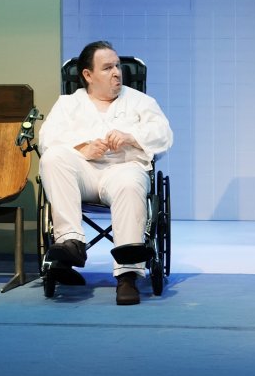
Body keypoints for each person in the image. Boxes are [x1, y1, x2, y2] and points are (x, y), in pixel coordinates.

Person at [38, 41, 174, 305]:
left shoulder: (140, 102)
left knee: (130, 182)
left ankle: (127, 275)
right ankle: (71, 243)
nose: (116, 73)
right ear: (88, 75)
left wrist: (131, 137)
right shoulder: (68, 104)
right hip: (83, 172)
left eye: (118, 66)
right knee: (53, 158)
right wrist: (83, 147)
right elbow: (47, 139)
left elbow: (164, 135)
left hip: (123, 169)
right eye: (107, 67)